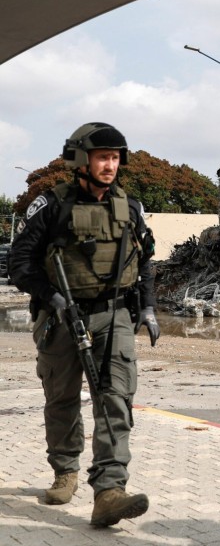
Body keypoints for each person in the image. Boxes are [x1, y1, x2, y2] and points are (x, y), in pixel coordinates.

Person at [10, 122, 160, 527]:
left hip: (115, 313)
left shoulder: (130, 207)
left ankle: (110, 490)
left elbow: (143, 261)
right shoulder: (50, 206)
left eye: (114, 158)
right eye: (102, 157)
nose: (110, 166)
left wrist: (147, 308)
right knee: (62, 399)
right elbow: (18, 264)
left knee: (116, 396)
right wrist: (50, 295)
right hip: (61, 315)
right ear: (81, 161)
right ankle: (65, 469)